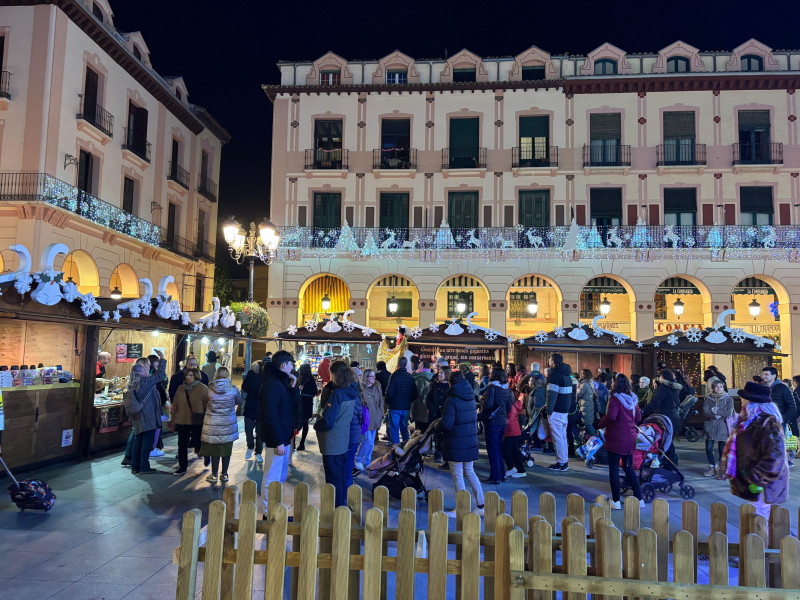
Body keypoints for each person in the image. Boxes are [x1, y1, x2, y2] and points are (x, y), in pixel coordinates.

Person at [720, 381, 788, 519]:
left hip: (764, 484)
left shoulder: (767, 423)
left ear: (752, 401)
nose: (741, 400)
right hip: (753, 481)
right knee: (756, 518)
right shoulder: (747, 421)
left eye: (744, 397)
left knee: (759, 519)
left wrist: (755, 477)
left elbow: (775, 458)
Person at [437, 370, 485, 517]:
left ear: (451, 383)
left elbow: (447, 424)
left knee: (457, 474)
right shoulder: (470, 397)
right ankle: (481, 506)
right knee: (470, 472)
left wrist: (436, 426)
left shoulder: (452, 400)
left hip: (456, 441)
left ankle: (461, 508)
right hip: (469, 440)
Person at [259, 351, 299, 516]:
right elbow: (271, 414)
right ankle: (269, 513)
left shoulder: (281, 383)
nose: (292, 368)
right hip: (277, 440)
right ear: (283, 365)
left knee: (280, 476)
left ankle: (275, 509)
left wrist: (293, 388)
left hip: (284, 437)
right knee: (271, 476)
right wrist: (278, 441)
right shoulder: (272, 384)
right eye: (291, 364)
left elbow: (291, 407)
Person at [316, 363, 360, 507]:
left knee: (333, 477)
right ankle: (341, 505)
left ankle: (336, 509)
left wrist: (317, 425)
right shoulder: (351, 391)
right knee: (340, 475)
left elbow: (328, 420)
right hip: (343, 438)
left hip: (331, 441)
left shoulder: (337, 394)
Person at [598, 374, 644, 509]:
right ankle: (639, 499)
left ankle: (616, 501)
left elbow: (611, 416)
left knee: (613, 469)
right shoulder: (633, 399)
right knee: (628, 467)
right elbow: (638, 418)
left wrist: (599, 424)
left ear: (615, 383)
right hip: (630, 437)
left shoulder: (615, 398)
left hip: (616, 438)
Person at [123, 350, 166, 475]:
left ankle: (135, 467)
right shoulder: (144, 382)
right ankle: (144, 466)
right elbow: (160, 375)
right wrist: (162, 358)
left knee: (138, 440)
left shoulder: (131, 383)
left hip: (137, 416)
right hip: (147, 416)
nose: (147, 370)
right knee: (146, 442)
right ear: (138, 372)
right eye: (143, 369)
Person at [199, 367, 240, 483]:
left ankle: (214, 474)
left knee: (214, 451)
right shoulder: (233, 389)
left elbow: (204, 401)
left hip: (213, 423)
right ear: (227, 375)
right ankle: (225, 474)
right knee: (226, 450)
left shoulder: (209, 389)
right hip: (228, 423)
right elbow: (238, 401)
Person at [169, 367, 209, 475]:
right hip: (182, 420)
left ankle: (205, 454)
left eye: (191, 375)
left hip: (197, 420)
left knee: (197, 442)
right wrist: (172, 420)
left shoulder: (202, 388)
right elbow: (175, 405)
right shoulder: (181, 388)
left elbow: (207, 405)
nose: (188, 377)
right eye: (187, 375)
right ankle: (182, 466)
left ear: (196, 376)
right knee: (182, 444)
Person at [642, 369, 683, 467]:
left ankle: (670, 463)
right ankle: (671, 462)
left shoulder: (663, 388)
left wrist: (644, 411)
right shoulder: (674, 388)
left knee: (665, 442)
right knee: (668, 441)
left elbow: (655, 401)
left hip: (665, 418)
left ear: (662, 377)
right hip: (674, 418)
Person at [481, 367, 512, 484]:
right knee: (498, 447)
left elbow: (488, 405)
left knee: (492, 449)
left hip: (492, 422)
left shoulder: (491, 387)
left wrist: (482, 400)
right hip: (502, 421)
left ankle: (495, 476)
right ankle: (502, 474)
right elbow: (509, 407)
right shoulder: (507, 389)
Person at [761, 366, 796, 467]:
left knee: (777, 445)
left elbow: (792, 406)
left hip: (779, 422)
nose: (764, 376)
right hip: (764, 421)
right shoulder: (763, 388)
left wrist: (782, 419)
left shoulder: (783, 388)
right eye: (763, 374)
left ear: (774, 376)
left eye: (766, 374)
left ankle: (778, 467)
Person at [702, 378, 734, 478]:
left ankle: (721, 468)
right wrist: (714, 415)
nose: (719, 388)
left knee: (722, 449)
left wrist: (717, 411)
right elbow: (705, 410)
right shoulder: (708, 398)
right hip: (710, 426)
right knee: (708, 447)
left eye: (721, 386)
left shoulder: (728, 399)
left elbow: (728, 412)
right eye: (717, 387)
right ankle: (712, 466)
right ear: (713, 388)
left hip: (722, 426)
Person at [546, 353, 573, 472]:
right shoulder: (568, 375)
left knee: (558, 438)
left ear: (553, 362)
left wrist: (549, 411)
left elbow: (552, 395)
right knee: (562, 437)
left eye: (549, 361)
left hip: (556, 410)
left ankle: (561, 463)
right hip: (565, 410)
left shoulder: (555, 375)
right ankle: (564, 461)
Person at [385, 356, 418, 445]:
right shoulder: (410, 377)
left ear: (398, 364)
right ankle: (406, 447)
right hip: (406, 407)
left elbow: (390, 392)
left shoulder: (394, 376)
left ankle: (395, 447)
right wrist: (408, 401)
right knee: (404, 428)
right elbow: (415, 393)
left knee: (394, 428)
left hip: (395, 407)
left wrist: (388, 402)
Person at [356, 369, 383, 471]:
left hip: (375, 417)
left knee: (371, 443)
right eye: (372, 376)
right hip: (366, 419)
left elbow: (381, 399)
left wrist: (380, 412)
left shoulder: (377, 386)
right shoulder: (361, 389)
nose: (374, 378)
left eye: (374, 376)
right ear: (366, 378)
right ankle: (358, 459)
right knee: (366, 440)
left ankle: (367, 461)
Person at [502, 380, 528, 478]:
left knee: (506, 449)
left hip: (512, 432)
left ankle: (515, 468)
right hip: (512, 432)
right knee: (513, 451)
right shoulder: (511, 406)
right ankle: (516, 468)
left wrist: (501, 420)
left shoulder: (511, 407)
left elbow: (509, 420)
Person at [427, 366, 451, 463]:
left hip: (445, 414)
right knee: (436, 434)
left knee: (444, 436)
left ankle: (444, 456)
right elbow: (429, 397)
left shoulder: (450, 387)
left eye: (441, 373)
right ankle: (437, 454)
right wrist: (430, 407)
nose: (439, 374)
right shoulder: (435, 385)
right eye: (439, 372)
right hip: (435, 413)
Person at [147, 354, 169, 458]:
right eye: (157, 361)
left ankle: (155, 446)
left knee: (157, 426)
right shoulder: (152, 373)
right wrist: (162, 357)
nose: (158, 363)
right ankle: (153, 448)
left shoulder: (151, 372)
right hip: (155, 404)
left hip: (158, 403)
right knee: (156, 426)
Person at [242, 361, 264, 463]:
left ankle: (258, 452)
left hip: (261, 409)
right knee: (248, 430)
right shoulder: (251, 374)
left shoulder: (265, 376)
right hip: (250, 407)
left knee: (260, 433)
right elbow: (244, 387)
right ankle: (250, 446)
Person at [296, 363, 318, 451]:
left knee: (303, 422)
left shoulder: (308, 379)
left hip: (304, 403)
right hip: (305, 403)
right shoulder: (306, 379)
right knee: (304, 423)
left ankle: (301, 443)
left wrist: (302, 389)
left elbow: (314, 392)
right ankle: (299, 443)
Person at [411, 361, 434, 435]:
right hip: (428, 406)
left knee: (419, 431)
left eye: (420, 364)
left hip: (420, 407)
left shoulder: (420, 378)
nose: (418, 365)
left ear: (424, 367)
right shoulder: (432, 376)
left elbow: (418, 393)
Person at [577, 369, 596, 437]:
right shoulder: (590, 382)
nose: (580, 374)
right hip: (589, 405)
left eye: (582, 373)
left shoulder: (584, 384)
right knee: (588, 423)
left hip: (585, 406)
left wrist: (577, 388)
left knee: (587, 424)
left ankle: (595, 438)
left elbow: (578, 394)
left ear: (585, 375)